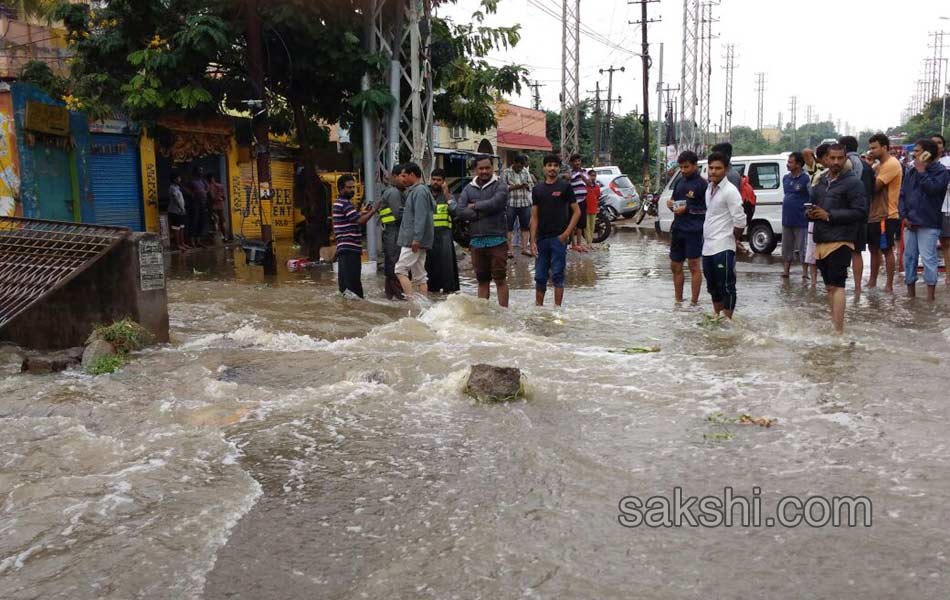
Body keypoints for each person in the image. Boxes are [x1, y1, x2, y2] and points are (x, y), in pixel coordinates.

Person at [808, 144, 866, 334]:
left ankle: (839, 331)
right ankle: (835, 326)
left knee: (838, 284)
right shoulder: (822, 180)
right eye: (832, 158)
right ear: (826, 159)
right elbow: (816, 205)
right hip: (822, 237)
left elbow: (860, 212)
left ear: (845, 159)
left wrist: (830, 215)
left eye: (840, 158)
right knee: (829, 286)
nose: (835, 162)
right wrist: (811, 213)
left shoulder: (853, 183)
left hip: (842, 239)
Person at [899, 139, 950, 300]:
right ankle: (910, 295)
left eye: (918, 151)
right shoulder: (911, 171)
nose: (915, 154)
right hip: (910, 222)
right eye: (915, 150)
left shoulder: (941, 172)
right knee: (909, 258)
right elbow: (903, 195)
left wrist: (922, 171)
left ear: (928, 153)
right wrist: (904, 216)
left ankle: (930, 298)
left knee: (929, 259)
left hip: (928, 222)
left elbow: (934, 189)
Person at [456, 155, 510, 307]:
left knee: (500, 278)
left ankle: (504, 313)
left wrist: (475, 205)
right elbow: (460, 210)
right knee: (482, 280)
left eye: (487, 168)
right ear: (475, 170)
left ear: (492, 168)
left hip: (497, 239)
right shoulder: (468, 188)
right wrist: (486, 211)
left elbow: (498, 202)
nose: (484, 171)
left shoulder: (500, 184)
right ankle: (483, 314)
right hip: (476, 241)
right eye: (481, 168)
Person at [531, 154, 581, 307]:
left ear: (559, 168)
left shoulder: (565, 187)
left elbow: (577, 212)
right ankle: (538, 309)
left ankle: (557, 310)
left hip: (558, 238)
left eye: (555, 165)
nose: (552, 168)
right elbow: (534, 217)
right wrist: (532, 241)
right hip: (541, 239)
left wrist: (566, 234)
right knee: (540, 276)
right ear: (544, 168)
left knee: (558, 275)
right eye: (549, 165)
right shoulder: (537, 189)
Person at [701, 151, 746, 319]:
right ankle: (717, 317)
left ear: (726, 169)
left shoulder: (730, 191)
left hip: (723, 246)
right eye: (711, 168)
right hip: (708, 247)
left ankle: (728, 320)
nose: (713, 171)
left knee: (727, 286)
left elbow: (740, 220)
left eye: (718, 168)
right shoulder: (709, 189)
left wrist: (734, 239)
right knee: (712, 287)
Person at [666, 150, 708, 304]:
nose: (683, 170)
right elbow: (674, 200)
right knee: (675, 265)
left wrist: (688, 209)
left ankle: (694, 302)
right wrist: (670, 205)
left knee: (693, 265)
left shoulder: (703, 185)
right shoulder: (679, 182)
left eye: (686, 167)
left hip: (694, 231)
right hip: (678, 229)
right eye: (681, 167)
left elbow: (707, 209)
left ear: (695, 166)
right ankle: (678, 300)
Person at [866, 133, 903, 292]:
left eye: (874, 148)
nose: (871, 151)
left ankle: (889, 285)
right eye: (870, 148)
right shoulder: (877, 165)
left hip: (887, 215)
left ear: (885, 147)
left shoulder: (891, 164)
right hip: (873, 214)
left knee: (887, 249)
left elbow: (873, 187)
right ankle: (872, 282)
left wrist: (867, 168)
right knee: (873, 249)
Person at [395, 162, 435, 299]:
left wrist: (416, 238)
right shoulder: (420, 191)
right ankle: (423, 306)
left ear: (412, 175)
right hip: (417, 240)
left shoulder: (419, 191)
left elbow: (420, 216)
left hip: (413, 240)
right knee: (420, 275)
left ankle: (411, 302)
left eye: (404, 176)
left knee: (400, 270)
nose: (402, 179)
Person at [332, 175, 376, 298]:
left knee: (345, 286)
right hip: (349, 249)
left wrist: (361, 212)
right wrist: (374, 210)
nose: (352, 190)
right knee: (354, 285)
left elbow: (353, 218)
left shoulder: (340, 203)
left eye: (353, 187)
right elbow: (360, 221)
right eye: (349, 187)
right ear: (340, 188)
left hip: (344, 248)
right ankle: (357, 308)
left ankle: (349, 311)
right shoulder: (345, 204)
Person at [840, 136, 869, 296]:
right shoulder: (867, 166)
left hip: (848, 215)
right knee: (857, 251)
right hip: (862, 213)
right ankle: (858, 288)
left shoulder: (847, 165)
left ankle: (843, 286)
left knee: (846, 250)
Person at [426, 168, 460, 294]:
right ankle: (432, 292)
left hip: (445, 236)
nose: (435, 182)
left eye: (438, 180)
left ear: (444, 182)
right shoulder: (425, 194)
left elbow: (456, 212)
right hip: (429, 236)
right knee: (429, 268)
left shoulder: (448, 196)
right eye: (433, 179)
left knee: (447, 268)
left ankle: (448, 293)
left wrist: (446, 194)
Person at [378, 164, 406, 300]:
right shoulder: (394, 193)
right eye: (403, 176)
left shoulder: (395, 192)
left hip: (392, 233)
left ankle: (390, 297)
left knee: (391, 267)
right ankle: (401, 298)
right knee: (396, 266)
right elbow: (398, 215)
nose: (405, 179)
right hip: (394, 233)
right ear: (395, 177)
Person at [781, 152, 810, 279]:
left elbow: (811, 196)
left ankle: (805, 273)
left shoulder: (806, 179)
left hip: (801, 220)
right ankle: (786, 271)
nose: (788, 164)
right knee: (786, 247)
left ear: (798, 164)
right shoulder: (786, 179)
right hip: (787, 220)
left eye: (790, 162)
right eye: (788, 162)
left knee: (803, 247)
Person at [505, 155, 535, 257]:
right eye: (518, 166)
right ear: (514, 163)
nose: (520, 168)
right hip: (511, 204)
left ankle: (524, 249)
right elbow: (502, 188)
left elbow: (531, 184)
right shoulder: (506, 172)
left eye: (522, 166)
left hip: (525, 203)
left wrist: (527, 186)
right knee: (509, 228)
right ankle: (510, 250)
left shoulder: (525, 171)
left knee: (525, 227)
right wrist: (515, 187)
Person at [931, 134, 950, 285]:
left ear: (943, 147)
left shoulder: (948, 163)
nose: (936, 145)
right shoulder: (917, 164)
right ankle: (930, 277)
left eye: (939, 143)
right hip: (927, 208)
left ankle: (948, 278)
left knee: (946, 242)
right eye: (933, 143)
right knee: (929, 242)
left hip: (946, 207)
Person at [568, 153, 589, 251]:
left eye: (579, 161)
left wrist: (582, 175)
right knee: (573, 222)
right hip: (574, 201)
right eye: (575, 161)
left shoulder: (584, 171)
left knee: (581, 223)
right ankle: (573, 244)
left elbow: (588, 182)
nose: (577, 163)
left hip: (583, 200)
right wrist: (577, 174)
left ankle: (579, 243)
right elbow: (569, 179)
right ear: (572, 163)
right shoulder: (570, 172)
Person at [167, 172, 189, 251]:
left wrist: (183, 208)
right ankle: (178, 244)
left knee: (181, 227)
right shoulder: (172, 188)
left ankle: (182, 243)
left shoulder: (178, 187)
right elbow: (176, 199)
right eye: (178, 178)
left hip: (181, 211)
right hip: (175, 211)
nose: (180, 179)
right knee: (176, 228)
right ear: (174, 179)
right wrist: (181, 208)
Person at [206, 173, 228, 241]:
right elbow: (223, 198)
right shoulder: (219, 186)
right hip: (218, 206)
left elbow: (212, 197)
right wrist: (220, 198)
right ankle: (223, 236)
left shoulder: (209, 187)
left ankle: (221, 237)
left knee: (216, 222)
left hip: (213, 207)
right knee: (220, 222)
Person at [584, 169, 600, 247]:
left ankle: (590, 242)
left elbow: (597, 197)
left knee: (592, 226)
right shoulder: (584, 186)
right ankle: (588, 242)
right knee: (586, 227)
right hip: (586, 209)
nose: (593, 177)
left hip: (593, 208)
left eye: (594, 176)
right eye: (591, 175)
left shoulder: (597, 187)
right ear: (588, 176)